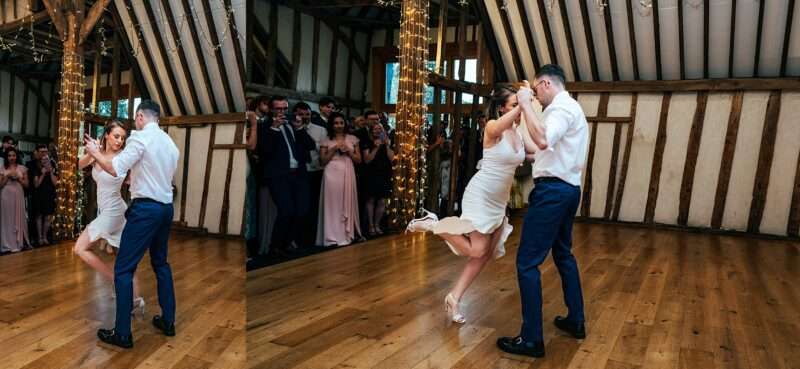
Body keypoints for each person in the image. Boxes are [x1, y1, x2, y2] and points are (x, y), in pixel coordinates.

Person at [406, 86, 538, 324]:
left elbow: (533, 151)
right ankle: (435, 224)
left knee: (483, 255)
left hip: (498, 201)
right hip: (481, 194)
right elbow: (502, 127)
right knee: (477, 250)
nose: (518, 111)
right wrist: (524, 102)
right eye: (513, 106)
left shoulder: (517, 131)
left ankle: (454, 297)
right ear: (501, 108)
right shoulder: (492, 127)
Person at [496, 65, 589, 358]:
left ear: (546, 83)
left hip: (552, 193)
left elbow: (544, 139)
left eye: (536, 89)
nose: (535, 94)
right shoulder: (570, 109)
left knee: (526, 262)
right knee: (563, 254)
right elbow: (544, 151)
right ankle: (575, 319)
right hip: (568, 190)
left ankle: (532, 338)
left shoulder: (560, 109)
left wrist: (524, 103)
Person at [85, 100, 180, 349]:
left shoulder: (140, 138)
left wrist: (94, 152)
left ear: (140, 116)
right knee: (161, 263)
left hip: (145, 209)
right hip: (166, 208)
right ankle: (168, 321)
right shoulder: (170, 143)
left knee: (123, 269)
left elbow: (115, 168)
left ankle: (123, 334)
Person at [74, 121, 145, 315]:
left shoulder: (123, 157)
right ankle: (136, 299)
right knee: (124, 257)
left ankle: (115, 279)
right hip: (109, 210)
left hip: (114, 210)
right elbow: (80, 165)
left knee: (80, 248)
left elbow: (116, 171)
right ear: (106, 135)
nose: (120, 141)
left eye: (122, 137)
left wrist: (96, 154)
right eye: (116, 136)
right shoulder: (97, 155)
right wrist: (91, 152)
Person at [259, 96, 315, 255]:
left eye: (285, 108)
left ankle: (287, 241)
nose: (282, 111)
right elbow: (265, 151)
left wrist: (299, 128)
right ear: (271, 109)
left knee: (302, 210)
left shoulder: (293, 124)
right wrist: (274, 129)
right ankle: (275, 246)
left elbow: (310, 145)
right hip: (278, 176)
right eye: (278, 108)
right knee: (286, 210)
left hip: (298, 174)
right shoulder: (264, 126)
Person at [316, 112, 362, 246]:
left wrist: (349, 150)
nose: (339, 125)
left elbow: (359, 160)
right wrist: (334, 148)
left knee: (344, 202)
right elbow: (322, 161)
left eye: (341, 123)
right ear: (331, 125)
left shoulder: (353, 138)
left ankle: (345, 233)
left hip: (347, 171)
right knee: (332, 204)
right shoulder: (326, 140)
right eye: (336, 123)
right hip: (331, 173)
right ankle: (330, 236)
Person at [360, 122, 394, 236]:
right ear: (371, 131)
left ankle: (377, 224)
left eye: (380, 129)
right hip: (371, 174)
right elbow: (367, 160)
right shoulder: (366, 142)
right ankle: (370, 226)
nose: (378, 131)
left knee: (382, 201)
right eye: (375, 129)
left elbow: (392, 159)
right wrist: (376, 147)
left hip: (384, 174)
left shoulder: (387, 143)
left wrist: (387, 145)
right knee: (371, 200)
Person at [0, 147, 30, 253]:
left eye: (13, 155)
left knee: (18, 217)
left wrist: (18, 178)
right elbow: (0, 185)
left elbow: (27, 185)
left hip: (18, 195)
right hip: (6, 196)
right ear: (6, 157)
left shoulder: (22, 168)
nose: (12, 157)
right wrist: (7, 176)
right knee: (7, 220)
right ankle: (6, 244)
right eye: (9, 155)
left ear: (16, 156)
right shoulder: (2, 168)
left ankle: (18, 243)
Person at [30, 144, 59, 245]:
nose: (44, 154)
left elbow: (55, 183)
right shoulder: (34, 165)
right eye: (42, 152)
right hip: (38, 194)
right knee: (39, 215)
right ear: (37, 153)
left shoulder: (53, 165)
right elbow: (36, 184)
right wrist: (42, 173)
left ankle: (45, 236)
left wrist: (50, 171)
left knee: (48, 216)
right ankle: (39, 237)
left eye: (46, 152)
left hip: (50, 193)